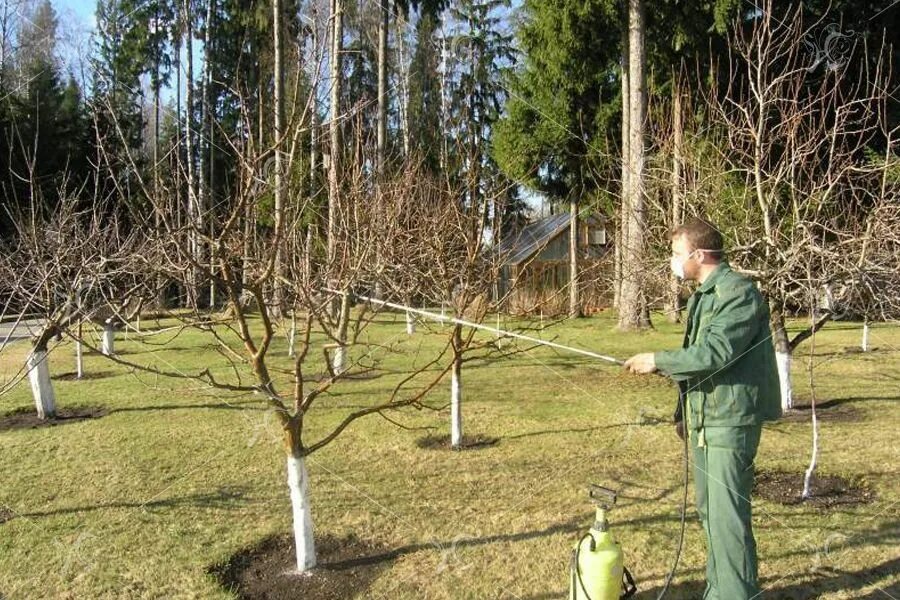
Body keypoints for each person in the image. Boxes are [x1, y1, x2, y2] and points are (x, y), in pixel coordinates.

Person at [623, 217, 782, 600]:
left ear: (699, 254)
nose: (672, 261)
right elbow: (700, 362)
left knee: (728, 520)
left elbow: (716, 353)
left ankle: (737, 594)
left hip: (729, 423)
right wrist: (684, 413)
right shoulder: (704, 294)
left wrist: (657, 359)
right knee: (711, 514)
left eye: (677, 254)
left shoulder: (737, 293)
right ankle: (720, 590)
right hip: (704, 421)